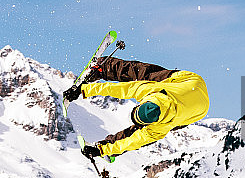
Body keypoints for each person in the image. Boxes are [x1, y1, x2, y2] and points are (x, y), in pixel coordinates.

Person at [63, 57, 209, 160]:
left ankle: (105, 147)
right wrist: (83, 90)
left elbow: (134, 140)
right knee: (140, 74)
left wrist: (83, 89)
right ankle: (104, 67)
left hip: (196, 105)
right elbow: (119, 89)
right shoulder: (151, 91)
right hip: (191, 88)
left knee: (140, 136)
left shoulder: (159, 125)